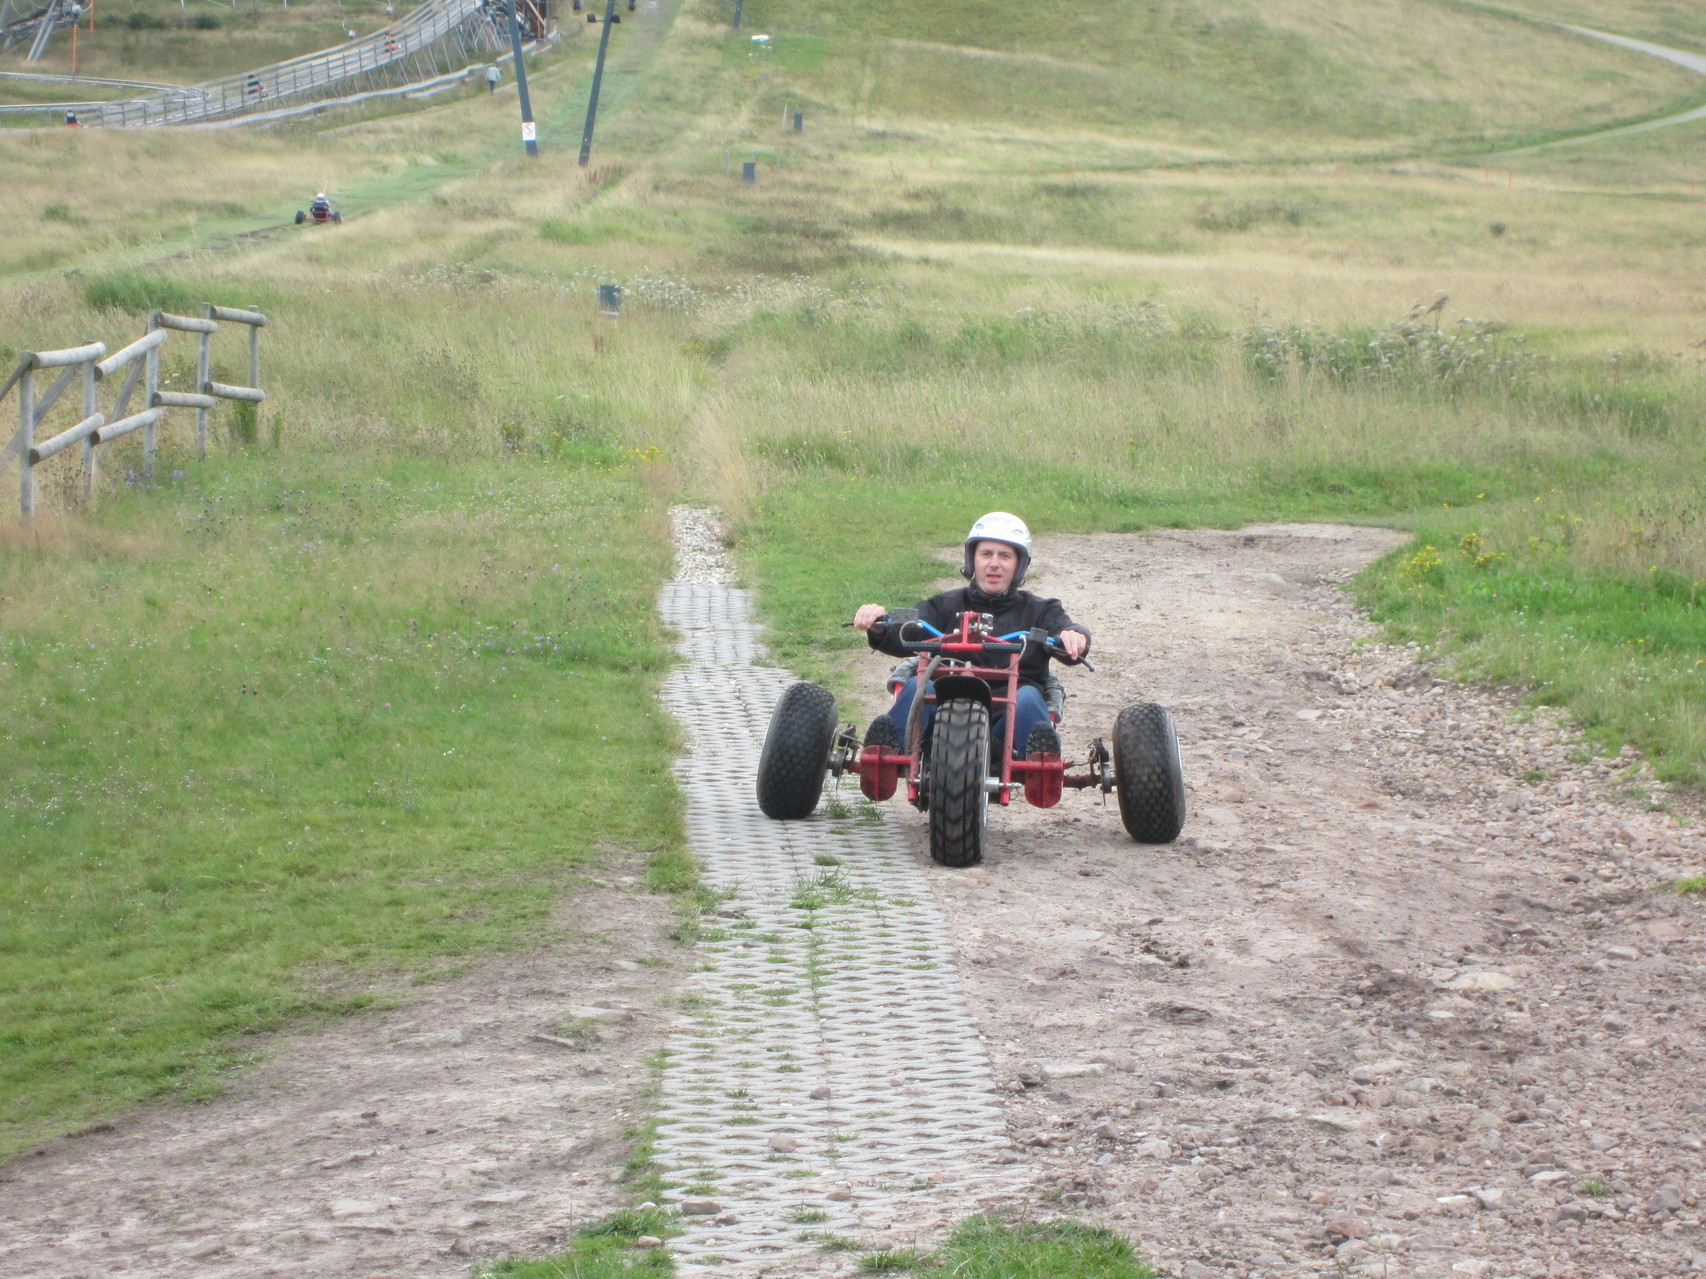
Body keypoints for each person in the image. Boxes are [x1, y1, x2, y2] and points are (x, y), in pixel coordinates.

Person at [853, 512, 1089, 759]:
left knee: (1029, 696)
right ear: (972, 560)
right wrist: (879, 624)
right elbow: (907, 630)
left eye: (1005, 556)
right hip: (941, 715)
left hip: (1006, 724)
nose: (994, 563)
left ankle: (1041, 765)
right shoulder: (944, 604)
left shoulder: (1041, 610)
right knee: (916, 687)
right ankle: (882, 757)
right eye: (986, 554)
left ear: (1019, 564)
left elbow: (1066, 633)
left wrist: (1075, 636)